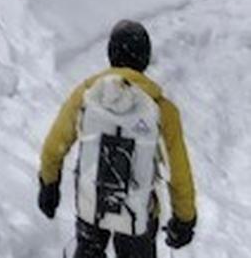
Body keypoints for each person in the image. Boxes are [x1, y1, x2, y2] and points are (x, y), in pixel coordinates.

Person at [38, 20, 197, 258]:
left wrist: (49, 184)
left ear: (111, 54)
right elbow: (178, 170)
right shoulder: (161, 109)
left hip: (92, 203)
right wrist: (185, 218)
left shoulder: (87, 95)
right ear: (145, 58)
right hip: (138, 212)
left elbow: (55, 145)